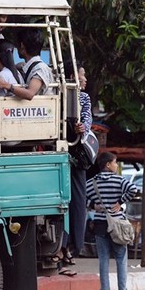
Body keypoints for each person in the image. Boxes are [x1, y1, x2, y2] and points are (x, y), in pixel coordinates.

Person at [85, 152, 139, 290]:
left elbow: (81, 196)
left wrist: (93, 205)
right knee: (121, 258)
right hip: (118, 225)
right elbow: (133, 189)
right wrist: (120, 202)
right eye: (115, 162)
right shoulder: (119, 180)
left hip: (100, 224)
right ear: (108, 165)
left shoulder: (91, 182)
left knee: (103, 259)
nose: (116, 165)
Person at [67, 65, 93, 260]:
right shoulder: (75, 97)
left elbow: (87, 122)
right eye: (81, 75)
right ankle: (73, 244)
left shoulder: (82, 98)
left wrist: (81, 127)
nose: (85, 79)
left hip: (72, 151)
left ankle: (74, 244)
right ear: (71, 76)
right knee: (75, 199)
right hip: (74, 152)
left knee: (75, 200)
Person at [0, 28, 55, 99]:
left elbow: (30, 94)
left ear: (22, 46)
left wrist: (6, 85)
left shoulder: (40, 68)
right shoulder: (28, 67)